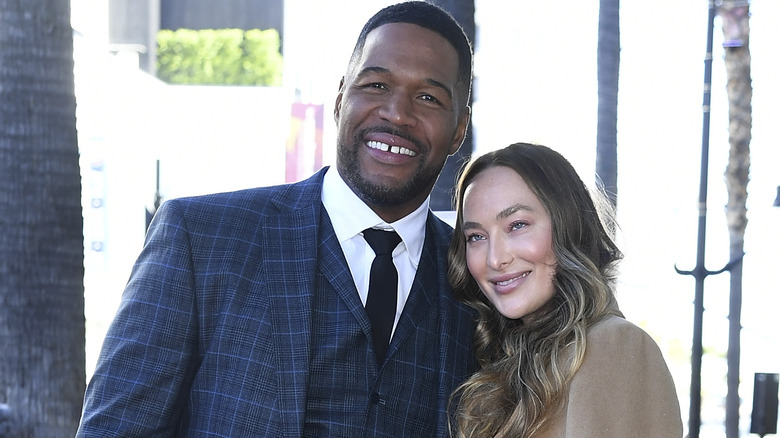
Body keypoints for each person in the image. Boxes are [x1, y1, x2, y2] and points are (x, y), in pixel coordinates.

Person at [76, 2, 476, 437]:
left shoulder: (479, 282)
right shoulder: (201, 239)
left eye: (428, 97)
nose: (397, 113)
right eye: (376, 84)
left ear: (459, 129)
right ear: (341, 98)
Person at [447, 143, 683, 437]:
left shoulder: (614, 345)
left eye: (517, 225)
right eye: (476, 236)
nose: (495, 259)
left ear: (567, 226)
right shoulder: (512, 364)